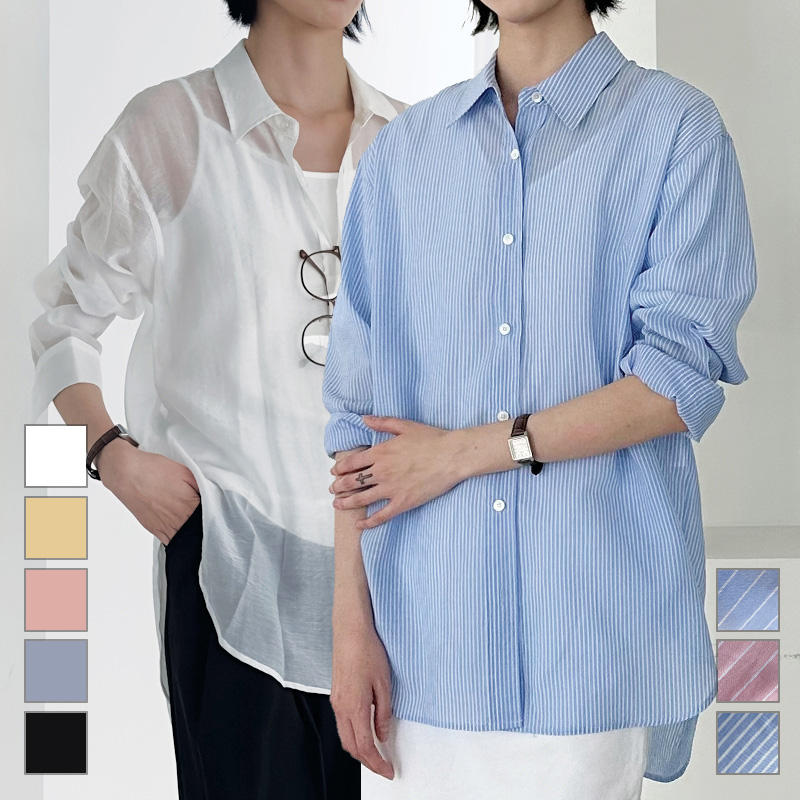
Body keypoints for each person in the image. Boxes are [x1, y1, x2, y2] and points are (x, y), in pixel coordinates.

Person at [322, 0, 757, 797]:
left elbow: (674, 381)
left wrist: (461, 455)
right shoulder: (403, 154)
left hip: (590, 643)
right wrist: (351, 629)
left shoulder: (675, 131)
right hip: (426, 645)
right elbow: (356, 421)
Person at [28, 1, 405, 797]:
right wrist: (110, 458)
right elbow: (61, 324)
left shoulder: (410, 144)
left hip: (384, 567)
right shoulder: (172, 127)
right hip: (228, 555)